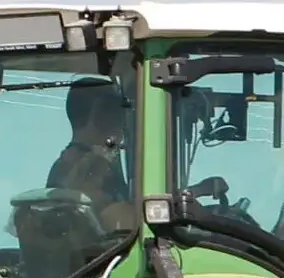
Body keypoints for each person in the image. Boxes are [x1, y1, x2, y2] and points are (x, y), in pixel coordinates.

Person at [46, 77, 227, 229]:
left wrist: (194, 192)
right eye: (120, 109)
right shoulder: (90, 168)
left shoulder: (69, 163)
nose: (124, 118)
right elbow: (122, 219)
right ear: (99, 114)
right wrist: (194, 196)